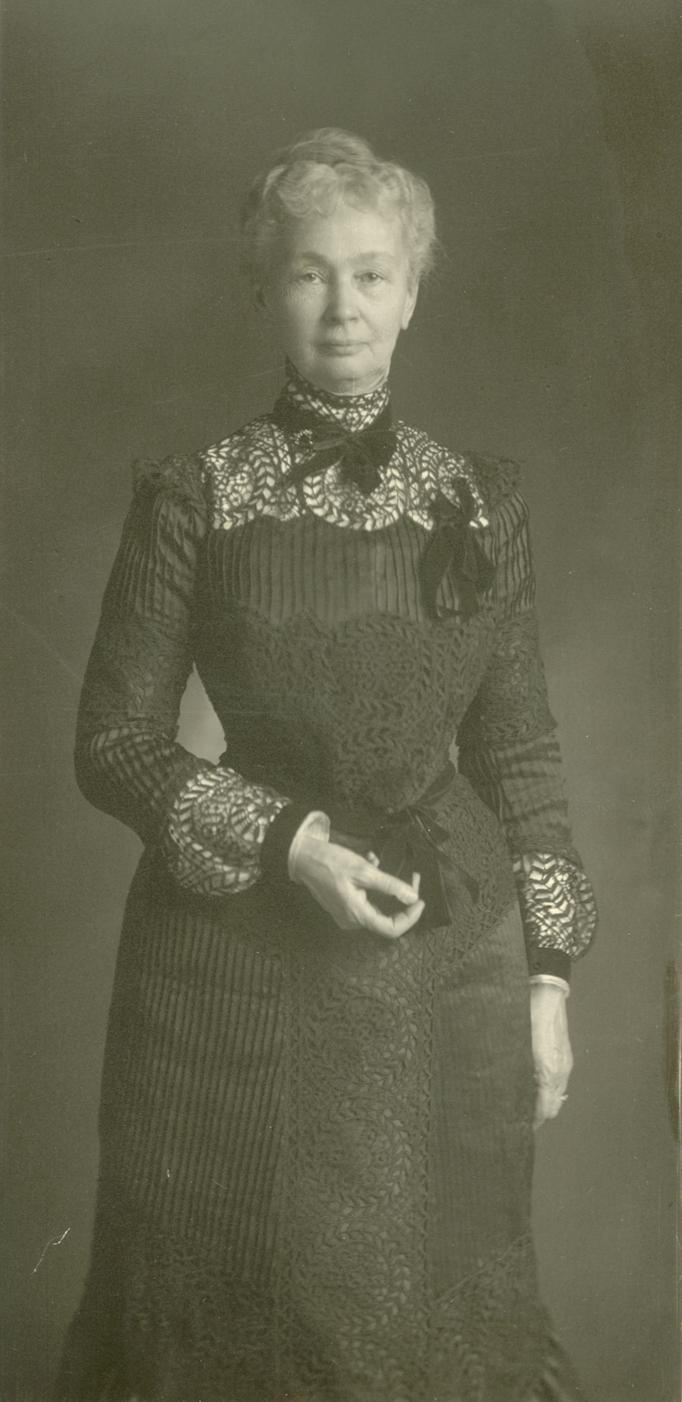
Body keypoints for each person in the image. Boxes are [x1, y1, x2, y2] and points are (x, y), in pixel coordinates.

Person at [57, 128, 597, 1402]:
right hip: (232, 970)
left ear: (412, 295)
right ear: (264, 291)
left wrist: (548, 980)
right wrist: (287, 841)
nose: (342, 306)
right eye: (308, 274)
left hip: (446, 965)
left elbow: (519, 749)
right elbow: (114, 742)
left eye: (370, 274)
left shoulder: (480, 499)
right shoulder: (193, 493)